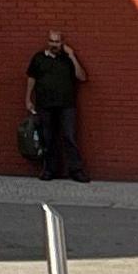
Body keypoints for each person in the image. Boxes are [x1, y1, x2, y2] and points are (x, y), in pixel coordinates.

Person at [26, 31, 90, 182]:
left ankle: (76, 170)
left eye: (57, 42)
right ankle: (50, 170)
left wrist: (72, 56)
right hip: (45, 104)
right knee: (48, 138)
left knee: (69, 137)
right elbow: (31, 79)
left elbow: (82, 77)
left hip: (66, 105)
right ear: (47, 42)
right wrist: (27, 99)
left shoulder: (67, 59)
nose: (54, 44)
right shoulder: (39, 58)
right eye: (52, 41)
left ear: (62, 43)